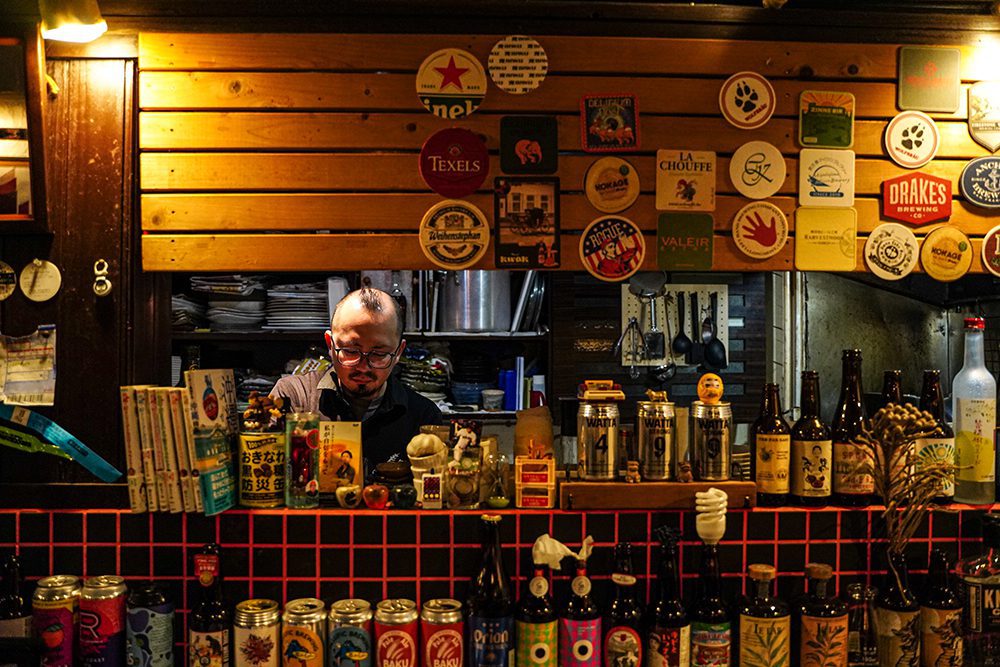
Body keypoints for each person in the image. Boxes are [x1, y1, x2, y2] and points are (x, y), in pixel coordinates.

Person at [270, 287, 442, 473]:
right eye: (350, 351)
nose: (363, 366)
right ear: (330, 344)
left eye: (378, 354)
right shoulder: (294, 397)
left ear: (398, 352)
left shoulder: (422, 416)